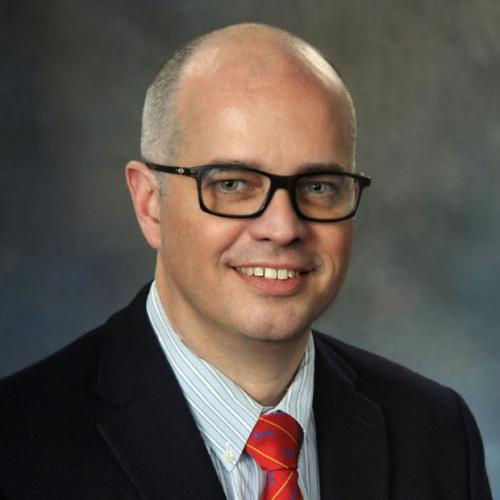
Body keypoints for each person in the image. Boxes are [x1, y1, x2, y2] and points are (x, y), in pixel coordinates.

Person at [0, 23, 492, 500]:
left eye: (319, 186)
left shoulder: (436, 433)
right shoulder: (17, 447)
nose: (282, 227)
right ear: (150, 204)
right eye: (232, 184)